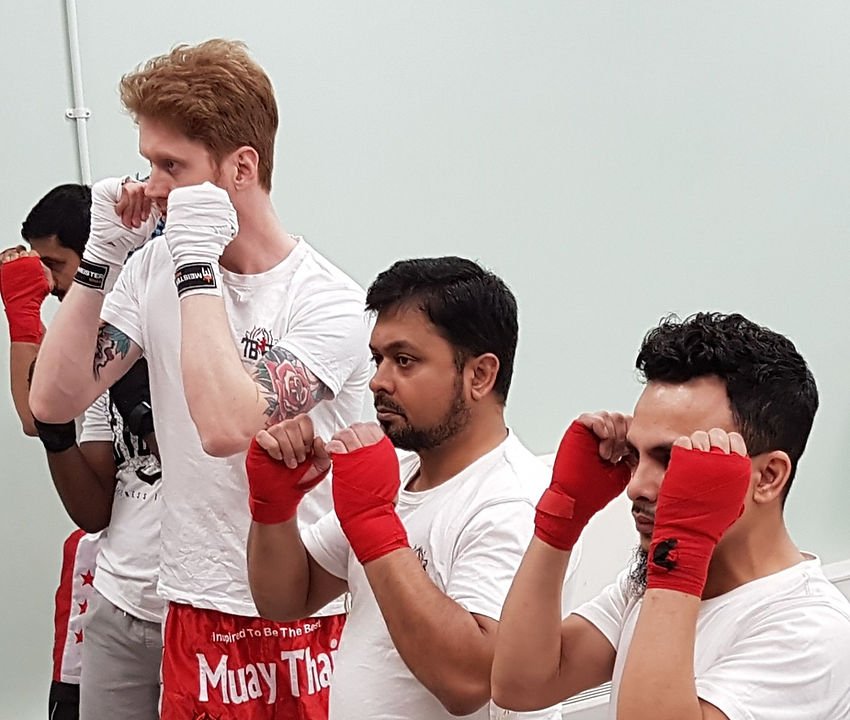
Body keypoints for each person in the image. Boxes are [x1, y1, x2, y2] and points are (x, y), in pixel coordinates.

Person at [30, 39, 372, 719]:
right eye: (148, 164)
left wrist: (194, 265)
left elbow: (225, 426)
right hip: (190, 599)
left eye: (172, 167)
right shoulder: (152, 269)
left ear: (240, 167)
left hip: (296, 611)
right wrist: (100, 260)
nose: (152, 186)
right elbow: (54, 399)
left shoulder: (328, 301)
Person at [246, 256, 569, 720]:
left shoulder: (514, 501)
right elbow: (284, 599)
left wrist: (373, 524)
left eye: (404, 361)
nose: (378, 381)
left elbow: (468, 684)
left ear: (480, 375)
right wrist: (274, 508)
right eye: (377, 359)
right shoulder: (398, 474)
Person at [492, 312, 850, 720]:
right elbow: (522, 684)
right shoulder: (650, 583)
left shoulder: (811, 630)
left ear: (768, 477)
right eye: (635, 455)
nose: (636, 486)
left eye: (673, 459)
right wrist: (562, 514)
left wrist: (681, 552)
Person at [2, 183, 164, 719]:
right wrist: (23, 313)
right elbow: (39, 418)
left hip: (201, 599)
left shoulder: (170, 321)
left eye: (55, 265)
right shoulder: (91, 349)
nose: (49, 285)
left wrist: (140, 399)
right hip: (121, 594)